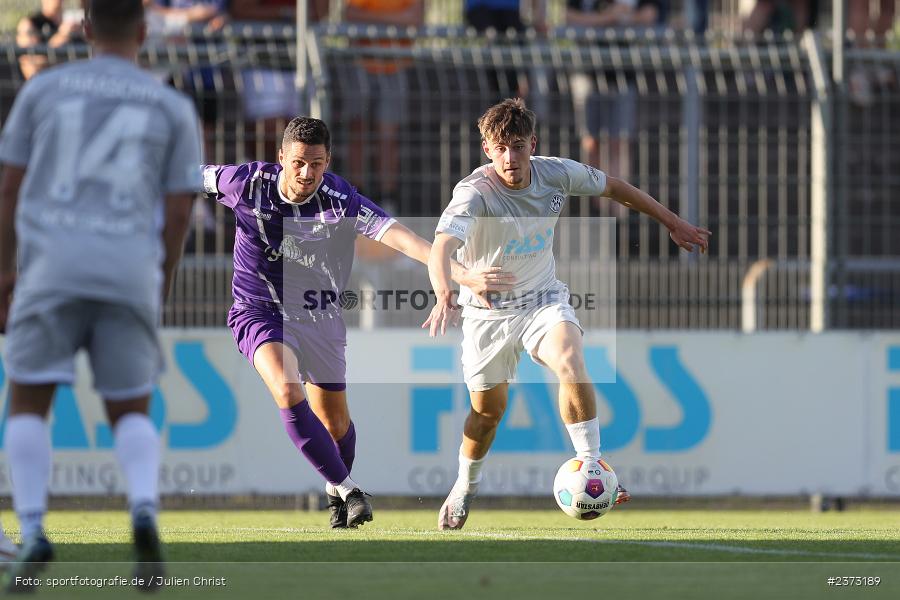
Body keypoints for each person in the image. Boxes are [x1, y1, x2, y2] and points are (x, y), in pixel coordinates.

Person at [203, 117, 511, 529]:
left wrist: (458, 273)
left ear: (327, 160)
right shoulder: (246, 183)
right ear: (281, 158)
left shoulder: (338, 198)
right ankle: (350, 491)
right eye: (297, 163)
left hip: (320, 313)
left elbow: (399, 237)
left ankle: (336, 495)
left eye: (316, 163)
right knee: (286, 386)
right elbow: (186, 174)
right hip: (259, 310)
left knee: (336, 423)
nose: (306, 173)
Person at [425, 98, 710, 530]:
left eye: (518, 146)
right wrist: (451, 283)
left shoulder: (556, 173)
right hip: (488, 313)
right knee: (486, 413)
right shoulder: (474, 192)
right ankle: (465, 486)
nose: (510, 158)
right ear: (487, 149)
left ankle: (591, 464)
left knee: (571, 359)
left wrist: (671, 221)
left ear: (531, 144)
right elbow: (442, 246)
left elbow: (615, 187)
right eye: (500, 148)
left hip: (542, 299)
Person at [0, 0, 202, 590]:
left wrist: (5, 271)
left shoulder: (45, 92)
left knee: (29, 400)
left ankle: (34, 530)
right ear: (143, 31)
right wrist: (158, 281)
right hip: (128, 268)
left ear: (84, 27)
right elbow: (180, 206)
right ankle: (142, 510)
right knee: (129, 406)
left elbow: (8, 184)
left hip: (50, 266)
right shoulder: (171, 105)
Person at [15, 0, 83, 80]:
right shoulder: (30, 24)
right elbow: (31, 70)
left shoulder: (72, 26)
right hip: (43, 87)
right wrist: (61, 37)